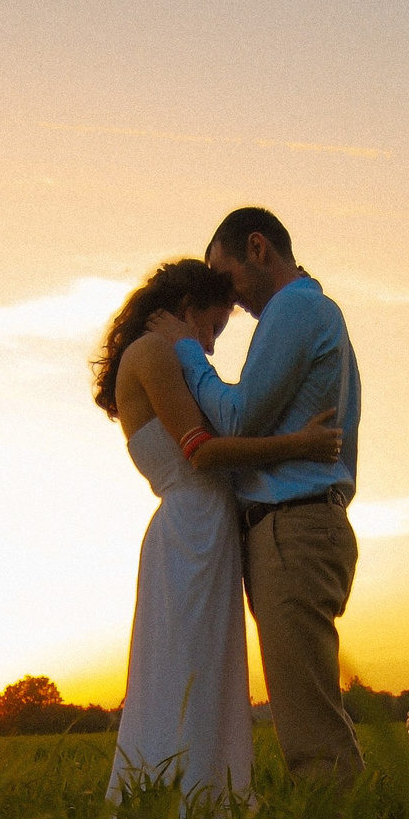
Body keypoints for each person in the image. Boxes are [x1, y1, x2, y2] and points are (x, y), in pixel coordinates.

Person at [95, 258, 342, 804]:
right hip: (192, 532)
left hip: (207, 532)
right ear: (186, 308)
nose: (207, 345)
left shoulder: (166, 356)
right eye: (209, 328)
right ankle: (176, 809)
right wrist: (298, 445)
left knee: (208, 675)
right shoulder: (153, 352)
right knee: (185, 673)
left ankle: (207, 808)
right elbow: (200, 451)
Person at [147, 208, 363, 784]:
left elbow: (238, 420)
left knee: (309, 726)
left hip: (293, 528)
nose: (230, 296)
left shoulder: (296, 309)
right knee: (306, 709)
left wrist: (188, 349)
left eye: (228, 273)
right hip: (296, 527)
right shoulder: (311, 314)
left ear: (259, 248)